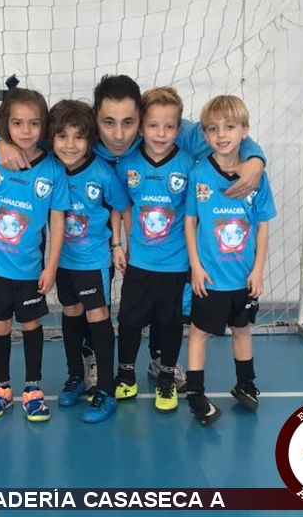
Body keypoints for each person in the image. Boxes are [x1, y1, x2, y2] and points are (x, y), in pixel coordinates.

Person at [0, 75, 267, 391]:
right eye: (109, 123)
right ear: (95, 119)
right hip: (94, 239)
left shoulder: (173, 132)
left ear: (140, 119)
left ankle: (159, 360)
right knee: (97, 304)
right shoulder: (79, 135)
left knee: (159, 308)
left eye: (129, 122)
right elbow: (24, 132)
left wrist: (256, 158)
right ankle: (91, 357)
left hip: (157, 249)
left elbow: (224, 129)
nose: (120, 134)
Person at [0, 88, 69, 422]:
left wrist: (51, 266)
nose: (26, 130)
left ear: (44, 127)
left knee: (30, 324)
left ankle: (33, 388)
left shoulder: (54, 171)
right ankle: (1, 387)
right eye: (17, 123)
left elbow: (58, 221)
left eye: (33, 123)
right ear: (5, 125)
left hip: (29, 269)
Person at [183, 95, 277, 425]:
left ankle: (246, 384)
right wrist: (195, 265)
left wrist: (257, 270)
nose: (221, 134)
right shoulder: (198, 175)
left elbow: (263, 226)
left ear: (244, 132)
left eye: (229, 127)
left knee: (242, 329)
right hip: (210, 276)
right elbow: (190, 222)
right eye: (212, 128)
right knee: (199, 332)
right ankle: (194, 392)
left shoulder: (256, 178)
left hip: (243, 277)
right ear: (204, 135)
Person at [114, 87, 193, 413]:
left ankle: (164, 376)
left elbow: (192, 218)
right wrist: (118, 243)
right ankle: (126, 374)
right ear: (141, 126)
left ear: (179, 128)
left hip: (175, 264)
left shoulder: (188, 165)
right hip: (140, 261)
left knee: (170, 322)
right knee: (130, 320)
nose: (161, 134)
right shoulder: (127, 164)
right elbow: (120, 206)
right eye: (153, 125)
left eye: (169, 126)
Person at [49, 100, 129, 423]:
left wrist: (118, 244)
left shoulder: (102, 173)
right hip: (63, 260)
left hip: (93, 260)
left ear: (90, 140)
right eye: (62, 136)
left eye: (78, 137)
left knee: (98, 316)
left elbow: (121, 206)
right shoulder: (50, 169)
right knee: (71, 313)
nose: (70, 145)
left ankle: (106, 390)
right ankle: (75, 376)